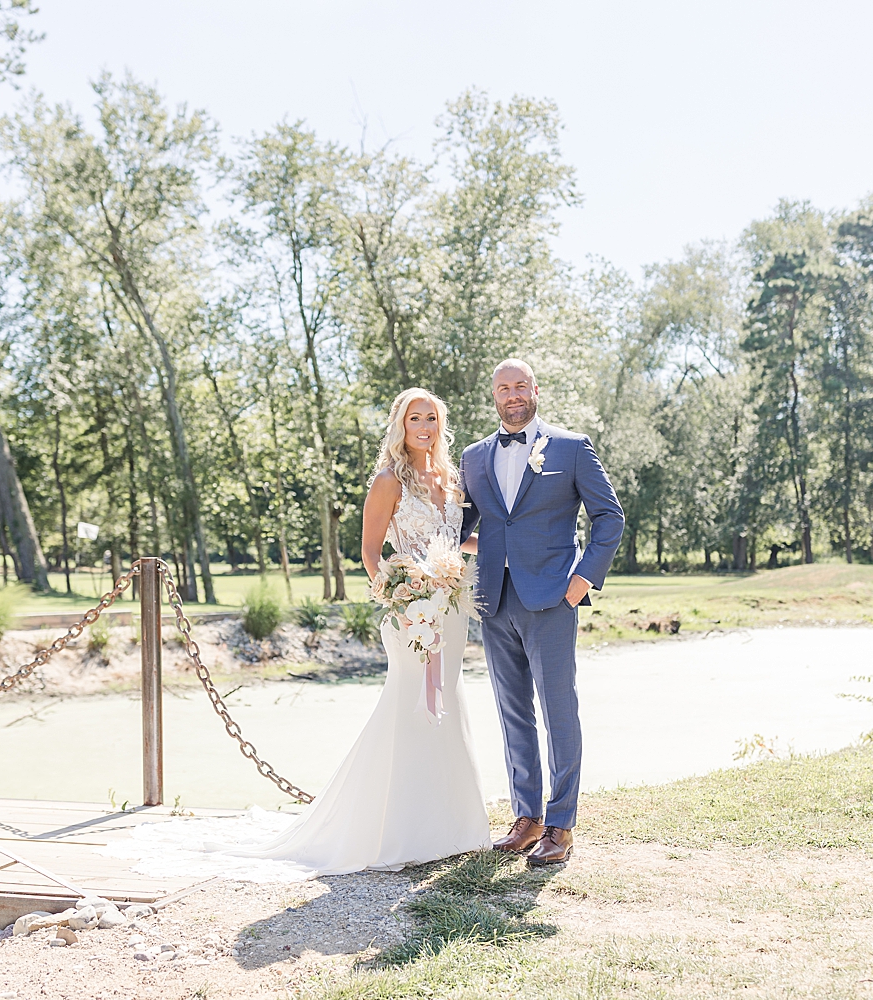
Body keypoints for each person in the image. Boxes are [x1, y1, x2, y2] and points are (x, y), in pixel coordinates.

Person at [103, 387, 489, 881]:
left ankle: (449, 829)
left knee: (447, 702)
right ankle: (395, 830)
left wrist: (476, 555)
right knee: (408, 705)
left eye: (431, 417)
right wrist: (401, 594)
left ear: (441, 423)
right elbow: (371, 553)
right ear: (400, 424)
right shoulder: (388, 481)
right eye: (415, 417)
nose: (424, 426)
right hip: (410, 610)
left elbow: (457, 538)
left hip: (451, 608)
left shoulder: (451, 478)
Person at [459, 358, 624, 866]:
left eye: (519, 386)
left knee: (559, 712)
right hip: (494, 601)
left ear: (536, 390)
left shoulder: (571, 448)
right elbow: (460, 523)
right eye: (502, 388)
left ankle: (561, 824)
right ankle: (526, 818)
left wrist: (580, 582)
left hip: (552, 599)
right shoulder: (473, 456)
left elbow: (609, 518)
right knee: (513, 714)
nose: (511, 394)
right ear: (494, 396)